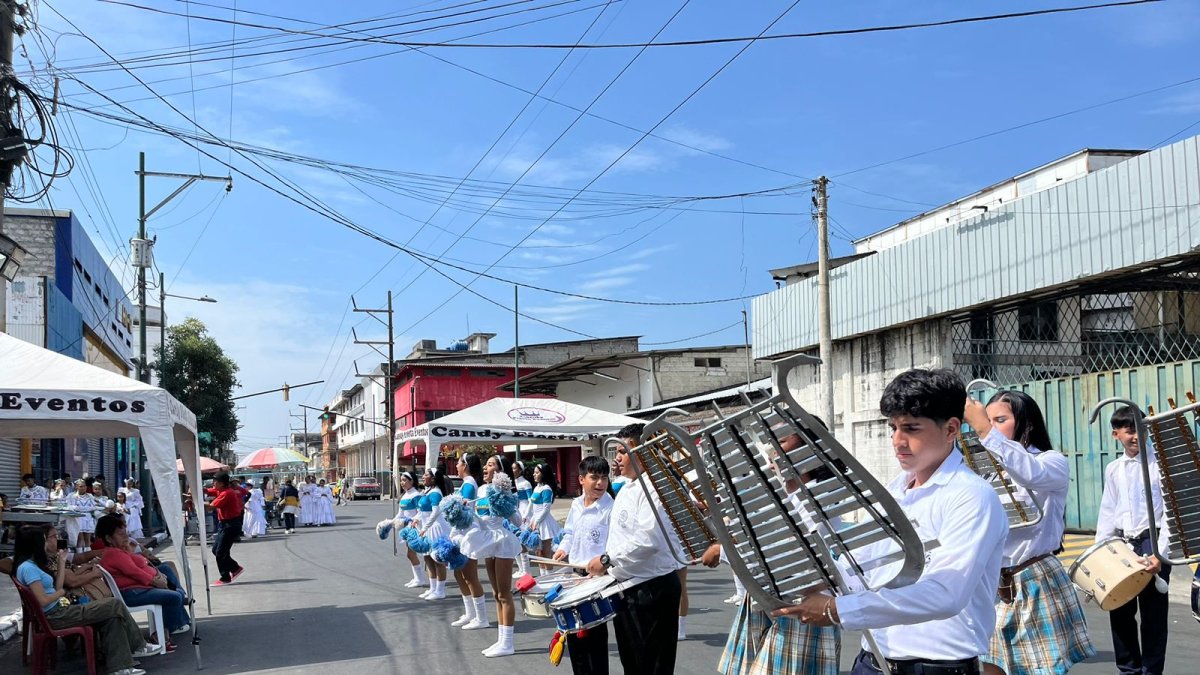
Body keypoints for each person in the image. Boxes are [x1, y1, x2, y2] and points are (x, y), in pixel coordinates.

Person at [773, 368, 1008, 675]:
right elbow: (870, 568)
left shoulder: (971, 496)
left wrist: (837, 609)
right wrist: (826, 586)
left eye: (911, 428)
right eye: (893, 428)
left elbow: (945, 594)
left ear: (951, 429)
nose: (898, 440)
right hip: (874, 661)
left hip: (936, 668)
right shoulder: (897, 490)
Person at [963, 390, 1096, 675]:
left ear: (1027, 423)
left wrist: (984, 429)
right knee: (989, 666)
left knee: (1040, 669)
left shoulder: (1051, 462)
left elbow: (1029, 473)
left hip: (1033, 577)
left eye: (1000, 420)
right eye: (988, 420)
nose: (992, 426)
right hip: (993, 584)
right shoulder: (982, 471)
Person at [718, 433, 842, 675]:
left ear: (808, 451)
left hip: (802, 607)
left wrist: (722, 550)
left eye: (781, 441)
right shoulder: (780, 494)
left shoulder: (820, 495)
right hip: (771, 600)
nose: (772, 451)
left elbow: (789, 547)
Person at [586, 423, 686, 675]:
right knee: (632, 664)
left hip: (651, 589)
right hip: (628, 588)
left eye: (621, 451)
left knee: (651, 667)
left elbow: (648, 540)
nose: (616, 459)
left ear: (641, 452)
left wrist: (607, 560)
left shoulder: (656, 486)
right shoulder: (628, 486)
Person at [11, 525, 157, 675]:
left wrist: (61, 562)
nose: (44, 544)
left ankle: (120, 667)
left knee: (112, 618)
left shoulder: (33, 565)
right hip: (57, 614)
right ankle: (139, 645)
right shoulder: (28, 568)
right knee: (114, 604)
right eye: (42, 541)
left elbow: (56, 586)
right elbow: (43, 600)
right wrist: (60, 593)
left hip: (59, 610)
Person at [1095, 405, 1172, 675]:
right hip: (1123, 545)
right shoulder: (1114, 469)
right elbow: (1108, 510)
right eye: (1129, 432)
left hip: (1153, 541)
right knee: (1120, 611)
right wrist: (1100, 552)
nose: (1137, 436)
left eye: (1142, 430)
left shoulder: (1161, 465)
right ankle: (1128, 670)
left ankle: (1152, 672)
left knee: (1153, 615)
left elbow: (1171, 513)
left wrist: (1160, 554)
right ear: (1116, 434)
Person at [553, 455, 615, 675]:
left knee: (594, 639)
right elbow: (569, 532)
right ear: (581, 479)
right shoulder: (576, 504)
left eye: (604, 478)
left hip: (597, 580)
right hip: (574, 577)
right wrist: (563, 548)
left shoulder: (610, 508)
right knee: (573, 635)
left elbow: (615, 545)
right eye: (594, 477)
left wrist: (603, 567)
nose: (600, 483)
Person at [94, 515, 191, 649]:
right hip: (132, 593)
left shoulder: (119, 550)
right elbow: (134, 572)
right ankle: (162, 632)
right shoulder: (114, 554)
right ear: (109, 538)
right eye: (120, 534)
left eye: (125, 533)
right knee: (175, 596)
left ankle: (174, 615)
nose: (125, 536)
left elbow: (140, 564)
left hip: (138, 588)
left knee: (168, 576)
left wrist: (157, 575)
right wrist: (155, 581)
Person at [470, 453, 524, 657]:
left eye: (490, 464)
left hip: (501, 541)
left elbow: (518, 520)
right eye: (486, 464)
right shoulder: (482, 490)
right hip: (486, 541)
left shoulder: (504, 489)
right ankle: (501, 640)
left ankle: (508, 643)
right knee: (495, 594)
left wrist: (505, 503)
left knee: (504, 593)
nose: (485, 467)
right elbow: (480, 517)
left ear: (499, 470)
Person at [451, 454, 489, 629]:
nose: (456, 466)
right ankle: (470, 613)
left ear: (464, 465)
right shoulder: (467, 483)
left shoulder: (468, 484)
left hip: (467, 533)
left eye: (458, 463)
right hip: (461, 531)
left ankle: (481, 618)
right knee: (461, 575)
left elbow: (462, 510)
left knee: (470, 576)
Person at [412, 464, 453, 600]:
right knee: (427, 558)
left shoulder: (436, 492)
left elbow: (436, 512)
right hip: (427, 527)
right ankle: (432, 588)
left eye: (426, 474)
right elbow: (422, 511)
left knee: (437, 559)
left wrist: (425, 527)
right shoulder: (428, 491)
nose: (423, 477)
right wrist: (416, 519)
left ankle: (440, 591)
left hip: (435, 528)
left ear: (434, 478)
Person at [205, 472, 247, 586]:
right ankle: (235, 568)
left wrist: (196, 502)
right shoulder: (221, 491)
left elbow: (211, 506)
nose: (213, 484)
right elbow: (209, 491)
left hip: (231, 524)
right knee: (216, 550)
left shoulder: (227, 493)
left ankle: (225, 577)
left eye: (216, 482)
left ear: (222, 484)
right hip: (225, 524)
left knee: (220, 552)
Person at [391, 471, 428, 588]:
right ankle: (417, 578)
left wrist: (414, 522)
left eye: (404, 480)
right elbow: (400, 513)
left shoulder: (416, 495)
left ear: (411, 481)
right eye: (401, 480)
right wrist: (391, 522)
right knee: (410, 554)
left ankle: (420, 578)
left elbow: (420, 512)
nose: (402, 483)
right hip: (407, 528)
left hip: (415, 527)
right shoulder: (405, 495)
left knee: (411, 554)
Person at [528, 464, 562, 571]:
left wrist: (537, 521)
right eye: (534, 472)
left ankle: (549, 576)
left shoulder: (546, 489)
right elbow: (532, 505)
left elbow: (546, 508)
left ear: (543, 474)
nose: (534, 474)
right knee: (538, 552)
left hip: (545, 522)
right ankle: (542, 576)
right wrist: (529, 518)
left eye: (537, 472)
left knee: (546, 552)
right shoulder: (536, 488)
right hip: (535, 521)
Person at [513, 460, 534, 577]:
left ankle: (526, 570)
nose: (512, 470)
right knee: (514, 540)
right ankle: (521, 568)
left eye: (515, 468)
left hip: (524, 510)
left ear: (520, 470)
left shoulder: (526, 483)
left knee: (521, 541)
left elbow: (530, 500)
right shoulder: (512, 483)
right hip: (514, 511)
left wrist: (526, 514)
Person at [66, 479, 98, 551]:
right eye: (81, 486)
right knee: (79, 538)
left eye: (84, 486)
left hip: (87, 518)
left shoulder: (90, 496)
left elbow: (94, 506)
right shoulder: (72, 496)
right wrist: (85, 508)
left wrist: (82, 508)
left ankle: (88, 557)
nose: (83, 488)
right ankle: (80, 556)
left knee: (87, 539)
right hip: (78, 518)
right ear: (77, 487)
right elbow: (70, 507)